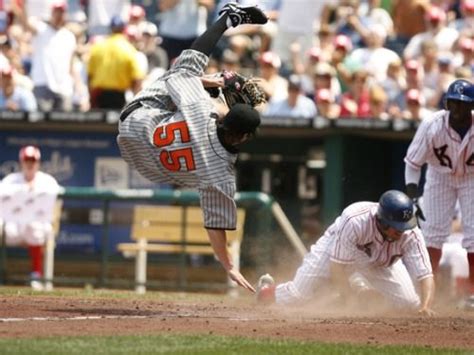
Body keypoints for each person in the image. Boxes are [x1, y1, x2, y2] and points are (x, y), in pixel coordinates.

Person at [117, 2, 268, 293]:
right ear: (245, 137)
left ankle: (229, 17)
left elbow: (181, 72)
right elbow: (215, 225)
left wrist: (214, 82)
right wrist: (228, 265)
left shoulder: (200, 109)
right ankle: (215, 78)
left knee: (183, 71)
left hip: (135, 119)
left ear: (225, 119)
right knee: (187, 85)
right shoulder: (221, 177)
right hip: (145, 164)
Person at [256, 190, 435, 316]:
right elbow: (337, 267)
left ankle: (351, 286)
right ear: (382, 221)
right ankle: (266, 291)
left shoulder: (410, 233)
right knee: (298, 295)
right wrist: (349, 300)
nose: (402, 231)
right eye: (397, 227)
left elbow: (425, 275)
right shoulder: (355, 219)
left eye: (404, 227)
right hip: (336, 249)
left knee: (409, 304)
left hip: (380, 262)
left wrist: (426, 306)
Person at [404, 79, 474, 305]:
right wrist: (413, 196)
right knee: (432, 233)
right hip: (439, 176)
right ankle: (425, 294)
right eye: (453, 102)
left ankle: (472, 293)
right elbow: (413, 163)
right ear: (447, 103)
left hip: (471, 177)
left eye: (463, 103)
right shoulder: (432, 125)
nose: (457, 107)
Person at [1, 146, 60, 291]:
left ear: (38, 162)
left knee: (35, 227)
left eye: (32, 160)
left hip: (39, 226)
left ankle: (36, 275)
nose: (30, 163)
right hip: (12, 227)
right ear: (21, 162)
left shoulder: (47, 181)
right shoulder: (10, 180)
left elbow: (56, 201)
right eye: (27, 160)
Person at [87, 16, 144, 109]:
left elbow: (90, 76)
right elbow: (137, 78)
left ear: (110, 28)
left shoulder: (98, 47)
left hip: (99, 94)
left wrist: (90, 97)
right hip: (118, 95)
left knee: (97, 122)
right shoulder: (129, 49)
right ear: (123, 29)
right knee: (116, 122)